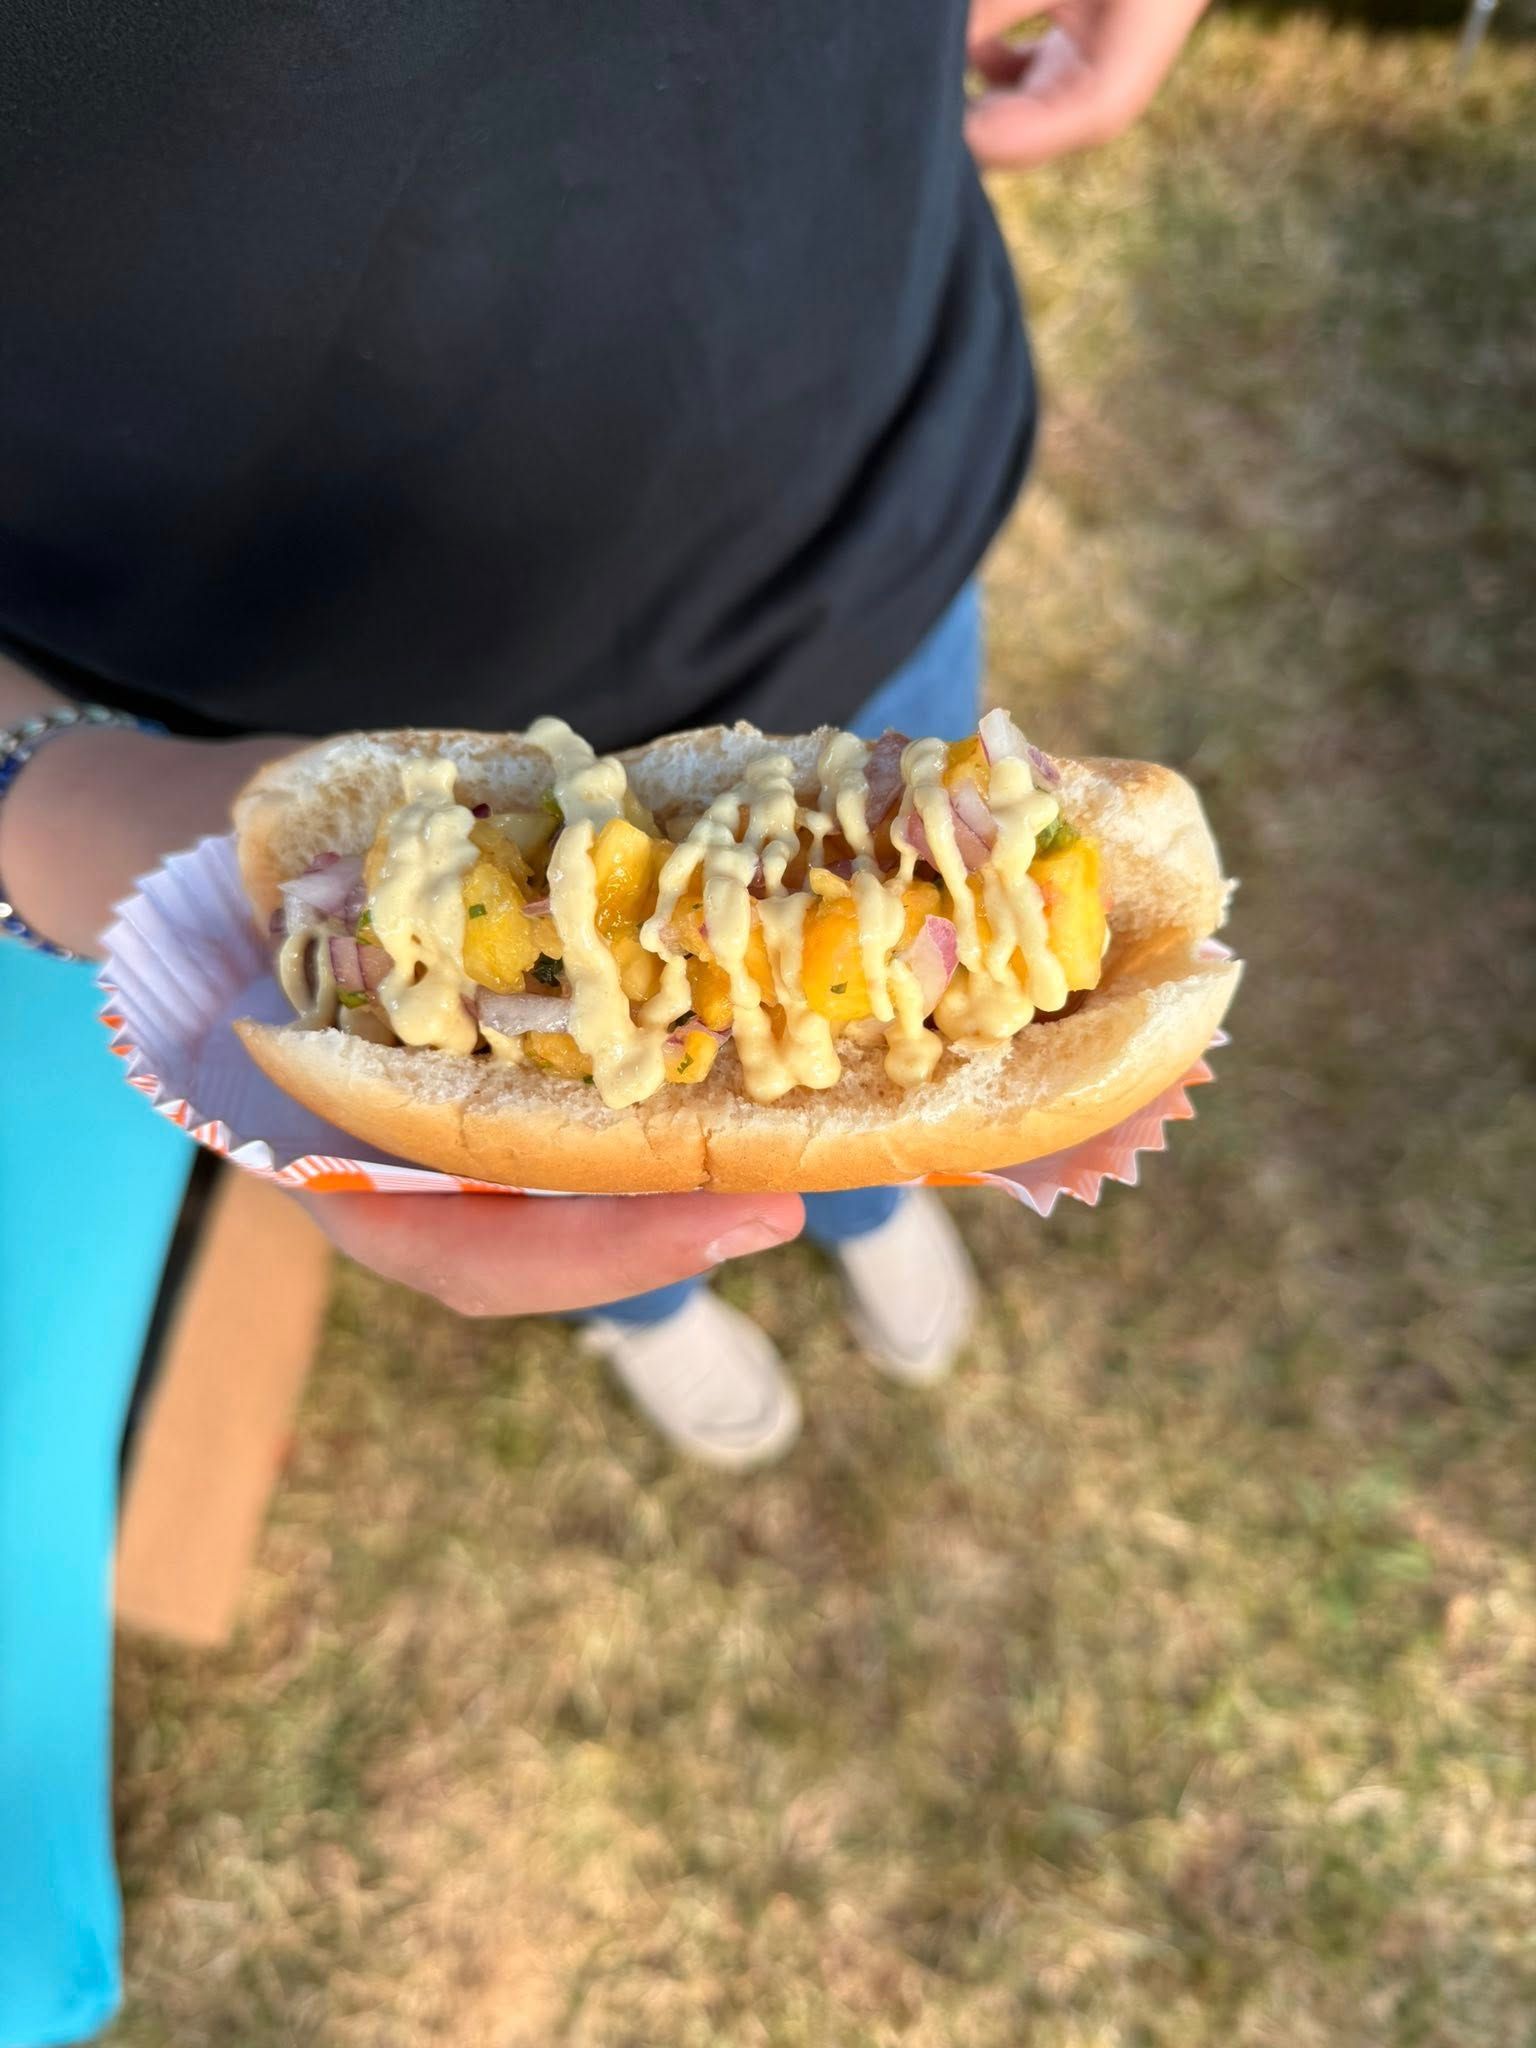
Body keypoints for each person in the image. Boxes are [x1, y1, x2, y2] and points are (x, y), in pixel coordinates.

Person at [0, 0, 1207, 1466]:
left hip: (865, 499)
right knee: (594, 1191)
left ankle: (874, 1199)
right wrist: (65, 795)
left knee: (885, 1049)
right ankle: (651, 1312)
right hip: (257, 722)